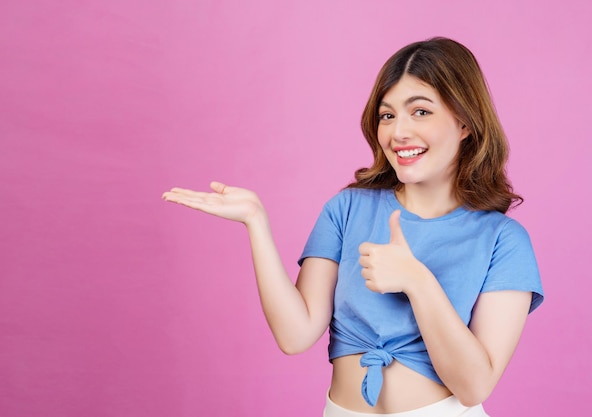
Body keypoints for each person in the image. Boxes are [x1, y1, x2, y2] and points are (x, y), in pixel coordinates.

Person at [162, 37, 544, 417]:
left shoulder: (503, 240)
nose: (399, 133)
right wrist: (256, 223)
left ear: (465, 123)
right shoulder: (346, 209)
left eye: (421, 112)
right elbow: (295, 336)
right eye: (387, 115)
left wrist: (417, 280)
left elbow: (474, 385)